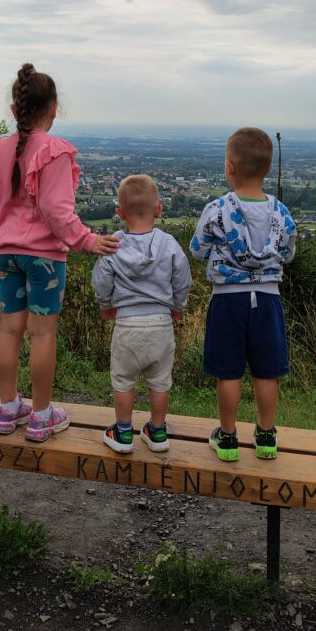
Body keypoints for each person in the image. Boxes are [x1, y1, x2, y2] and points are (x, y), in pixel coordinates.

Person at [0, 63, 119, 442]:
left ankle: (7, 408)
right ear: (54, 108)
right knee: (42, 335)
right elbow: (57, 211)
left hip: (5, 254)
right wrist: (88, 241)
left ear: (15, 109)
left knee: (9, 329)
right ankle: (41, 415)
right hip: (44, 259)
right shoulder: (54, 151)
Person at [190, 127, 296, 462]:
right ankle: (266, 435)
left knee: (229, 371)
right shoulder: (281, 213)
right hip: (267, 300)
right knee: (267, 372)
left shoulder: (217, 209)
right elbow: (289, 253)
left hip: (228, 300)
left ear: (230, 167)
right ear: (267, 169)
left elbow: (197, 250)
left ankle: (229, 436)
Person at [92, 174, 191, 454]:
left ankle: (123, 433)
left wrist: (106, 305)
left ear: (119, 213)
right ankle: (158, 432)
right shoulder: (169, 244)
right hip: (161, 323)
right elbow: (183, 279)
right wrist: (176, 307)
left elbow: (101, 282)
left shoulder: (111, 245)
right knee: (160, 381)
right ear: (159, 209)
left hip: (126, 324)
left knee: (123, 380)